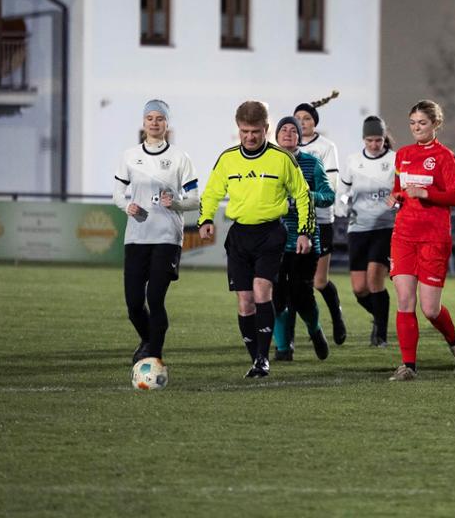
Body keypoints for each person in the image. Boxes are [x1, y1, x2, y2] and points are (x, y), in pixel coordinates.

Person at [198, 101, 313, 378]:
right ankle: (256, 358)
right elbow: (211, 192)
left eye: (255, 132)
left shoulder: (282, 159)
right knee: (245, 301)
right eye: (244, 131)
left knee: (262, 291)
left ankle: (263, 359)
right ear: (238, 129)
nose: (249, 137)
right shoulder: (227, 159)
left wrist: (304, 231)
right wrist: (206, 219)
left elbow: (302, 194)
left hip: (271, 234)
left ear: (266, 129)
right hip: (239, 236)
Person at [387, 99, 455, 381]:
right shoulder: (403, 154)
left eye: (422, 123)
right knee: (404, 300)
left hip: (433, 239)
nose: (416, 128)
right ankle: (408, 365)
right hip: (404, 235)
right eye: (412, 123)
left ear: (435, 124)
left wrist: (426, 193)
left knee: (430, 309)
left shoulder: (445, 156)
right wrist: (396, 197)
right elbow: (399, 188)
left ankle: (454, 339)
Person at [113, 99, 199, 365]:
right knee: (134, 305)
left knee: (155, 298)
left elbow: (195, 199)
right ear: (143, 122)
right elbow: (117, 194)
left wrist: (175, 203)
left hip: (167, 237)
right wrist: (127, 206)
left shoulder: (180, 158)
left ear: (166, 124)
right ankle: (148, 340)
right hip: (136, 237)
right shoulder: (129, 156)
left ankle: (154, 356)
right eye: (150, 118)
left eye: (159, 118)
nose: (154, 122)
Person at [271, 116, 328, 362]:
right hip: (273, 241)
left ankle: (315, 329)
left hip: (305, 241)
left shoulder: (312, 163)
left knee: (301, 296)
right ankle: (283, 348)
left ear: (300, 137)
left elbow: (328, 195)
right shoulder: (268, 162)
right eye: (283, 129)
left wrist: (306, 196)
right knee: (275, 298)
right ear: (276, 135)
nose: (288, 133)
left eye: (293, 130)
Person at [294, 91, 346, 345]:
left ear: (315, 122)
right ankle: (295, 337)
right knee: (293, 280)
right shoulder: (284, 146)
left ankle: (336, 316)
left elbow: (332, 186)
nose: (302, 123)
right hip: (291, 221)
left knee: (319, 281)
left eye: (306, 118)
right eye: (298, 118)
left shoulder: (326, 147)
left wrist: (306, 196)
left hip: (321, 219)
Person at [340, 116, 397, 347]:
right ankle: (379, 316)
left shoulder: (395, 160)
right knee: (359, 289)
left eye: (378, 140)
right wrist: (342, 203)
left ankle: (381, 334)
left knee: (375, 280)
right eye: (369, 140)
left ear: (384, 139)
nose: (374, 145)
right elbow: (343, 191)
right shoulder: (353, 161)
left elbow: (401, 190)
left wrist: (398, 200)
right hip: (358, 228)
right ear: (363, 139)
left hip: (385, 227)